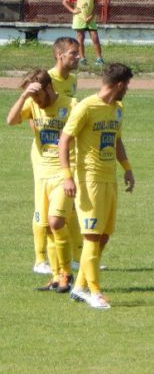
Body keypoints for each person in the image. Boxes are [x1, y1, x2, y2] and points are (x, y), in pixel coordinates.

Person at [59, 63, 136, 310]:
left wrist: (127, 168)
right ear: (120, 84)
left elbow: (116, 140)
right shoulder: (85, 107)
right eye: (128, 85)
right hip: (88, 180)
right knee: (91, 236)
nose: (128, 90)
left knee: (102, 237)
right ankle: (95, 291)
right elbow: (64, 140)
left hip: (109, 179)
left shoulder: (118, 109)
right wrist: (67, 176)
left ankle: (79, 287)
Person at [7, 70, 77, 293]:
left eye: (37, 96)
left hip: (64, 173)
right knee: (47, 227)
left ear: (48, 88)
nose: (36, 102)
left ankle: (67, 273)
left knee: (56, 222)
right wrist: (24, 96)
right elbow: (11, 120)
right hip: (42, 174)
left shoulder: (71, 105)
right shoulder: (32, 104)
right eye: (32, 98)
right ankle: (56, 276)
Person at [49, 37, 84, 269]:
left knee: (69, 207)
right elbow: (36, 115)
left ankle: (77, 257)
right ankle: (43, 260)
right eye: (73, 53)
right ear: (59, 55)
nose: (78, 57)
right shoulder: (47, 79)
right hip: (50, 152)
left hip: (69, 147)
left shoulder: (72, 80)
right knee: (49, 212)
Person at [61, 0, 103, 66]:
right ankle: (82, 58)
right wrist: (72, 10)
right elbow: (65, 1)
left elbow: (96, 4)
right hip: (79, 19)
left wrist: (92, 15)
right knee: (80, 38)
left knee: (95, 38)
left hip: (91, 19)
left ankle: (99, 58)